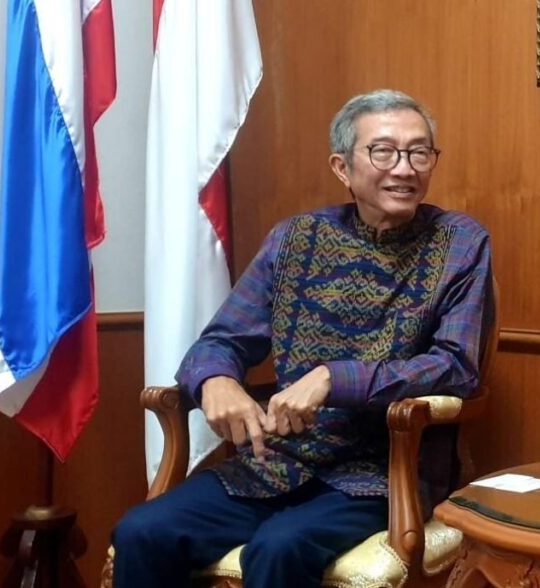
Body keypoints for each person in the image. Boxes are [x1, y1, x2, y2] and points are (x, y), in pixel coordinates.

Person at [111, 89, 495, 588]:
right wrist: (215, 380)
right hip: (274, 463)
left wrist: (334, 378)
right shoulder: (295, 238)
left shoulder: (460, 242)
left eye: (419, 152)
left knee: (279, 549)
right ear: (342, 167)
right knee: (142, 531)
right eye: (383, 152)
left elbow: (455, 366)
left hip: (382, 473)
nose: (404, 169)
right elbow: (222, 339)